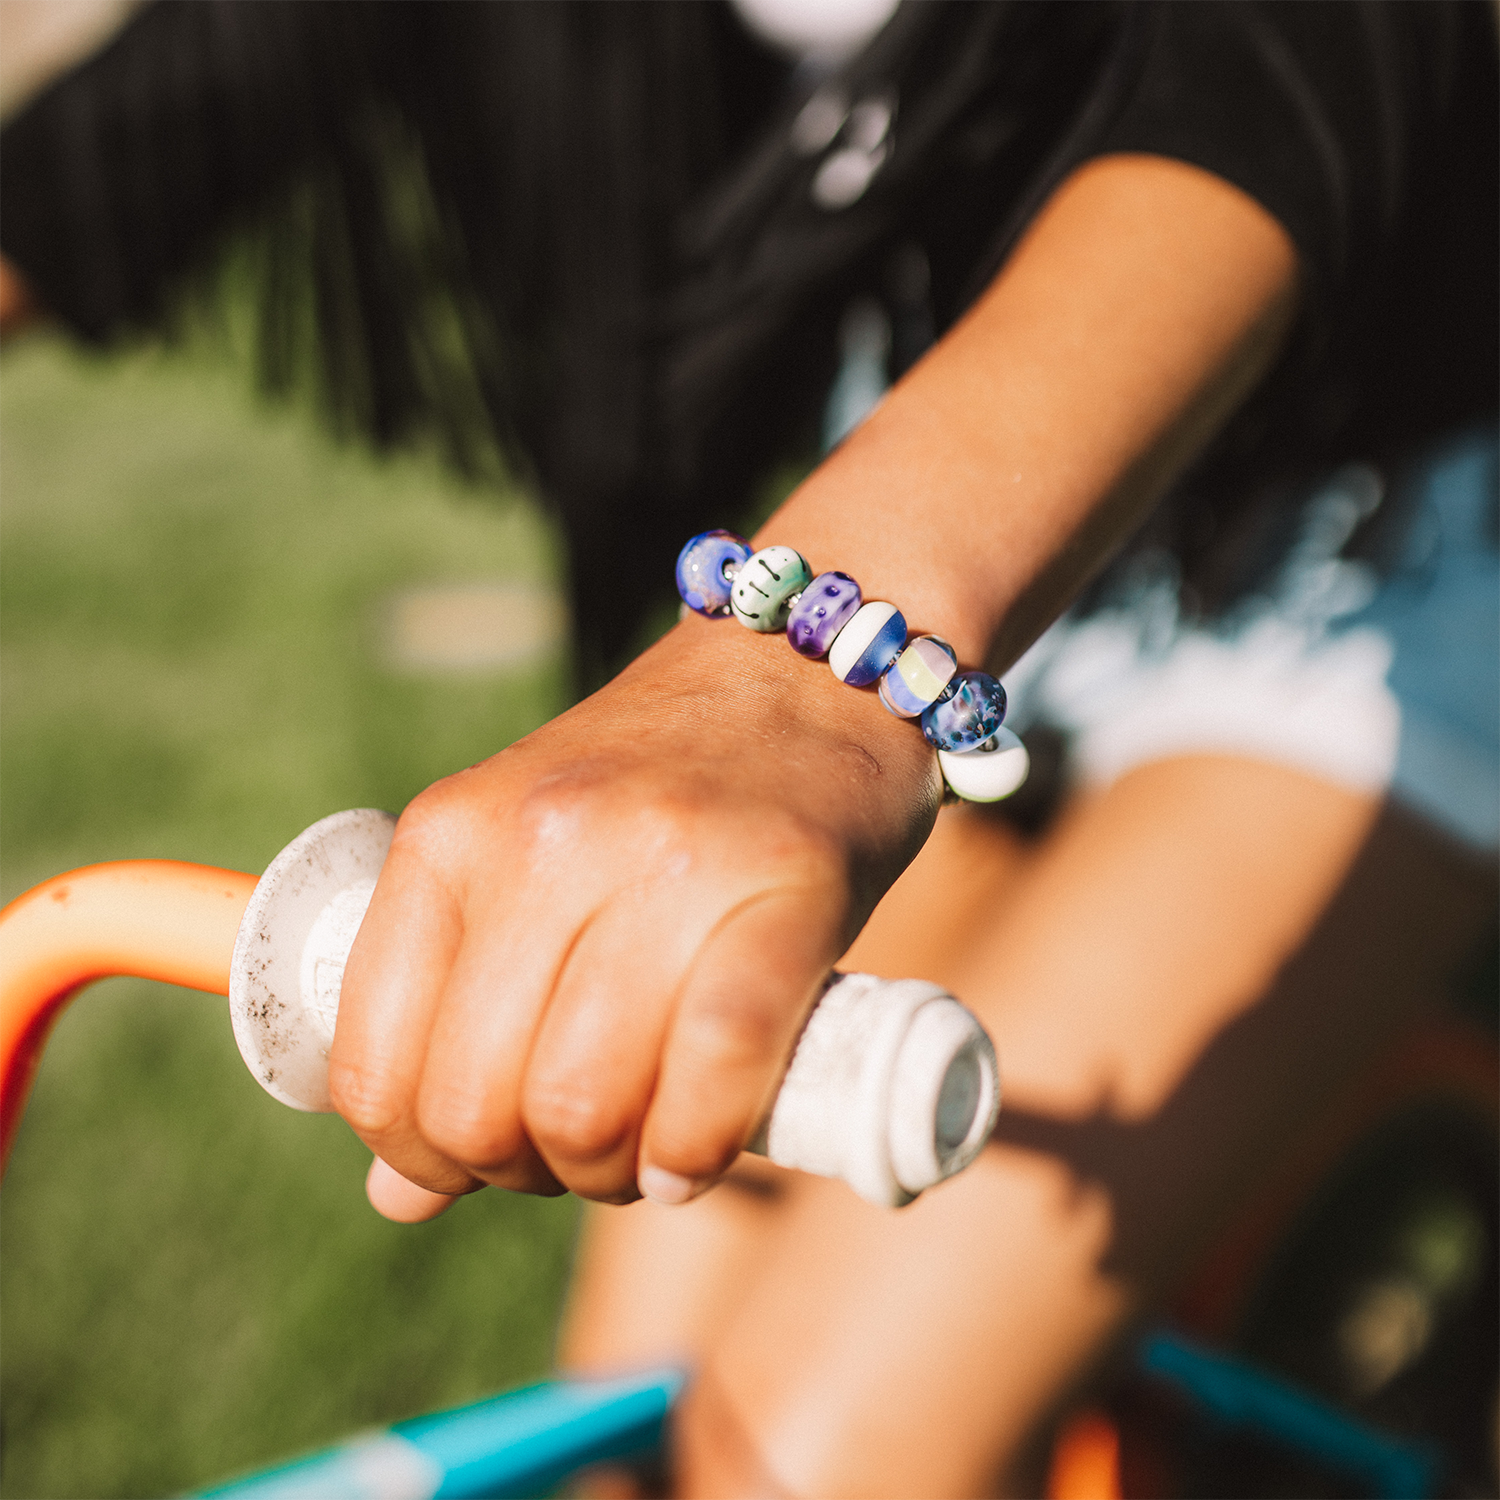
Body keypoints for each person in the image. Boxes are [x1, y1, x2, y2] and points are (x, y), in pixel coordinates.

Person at [1, 1, 1499, 1494]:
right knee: (634, 1422)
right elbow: (186, 94)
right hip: (985, 585)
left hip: (1371, 570)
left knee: (822, 1452)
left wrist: (794, 684)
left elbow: (1310, 63)